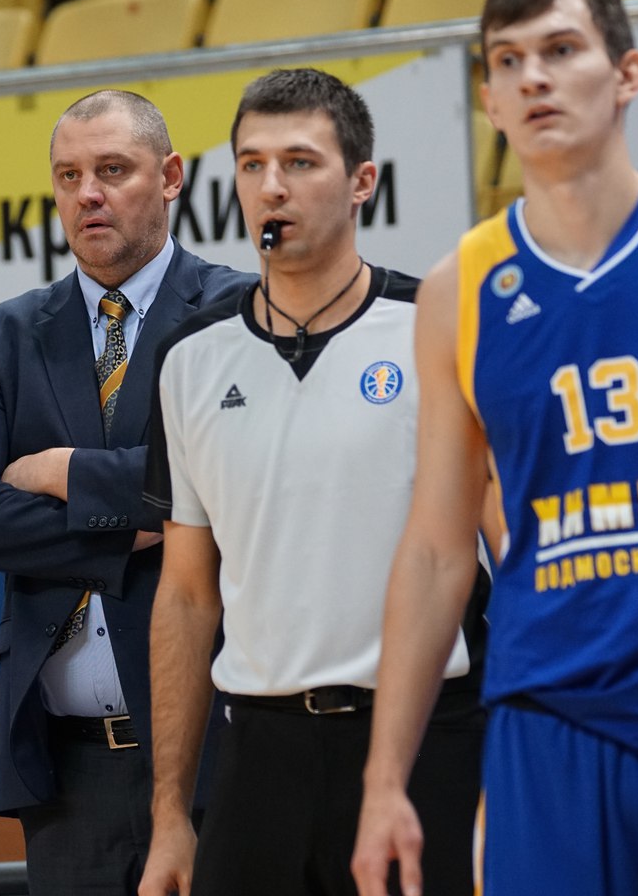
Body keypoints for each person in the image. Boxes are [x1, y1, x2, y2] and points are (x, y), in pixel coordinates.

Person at [352, 0, 638, 896]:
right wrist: (384, 781)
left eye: (561, 50)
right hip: (548, 720)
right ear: (488, 101)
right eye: (508, 61)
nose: (534, 78)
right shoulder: (458, 291)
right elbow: (436, 550)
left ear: (627, 73)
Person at [139, 68, 488, 896]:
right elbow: (186, 595)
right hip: (259, 755)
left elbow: (519, 551)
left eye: (300, 162)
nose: (272, 187)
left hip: (428, 740)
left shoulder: (438, 328)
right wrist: (170, 812)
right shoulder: (190, 360)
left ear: (363, 181)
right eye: (252, 165)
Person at [0, 89, 248, 896]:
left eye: (112, 170)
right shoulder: (0, 340)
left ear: (170, 177)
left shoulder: (238, 314)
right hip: (65, 776)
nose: (88, 195)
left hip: (219, 755)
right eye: (69, 176)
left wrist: (60, 472)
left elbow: (233, 481)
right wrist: (149, 521)